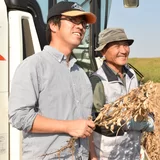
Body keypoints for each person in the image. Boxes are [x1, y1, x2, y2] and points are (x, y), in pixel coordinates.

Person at [8, 2, 97, 160]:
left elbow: (85, 123)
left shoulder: (82, 75)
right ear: (53, 25)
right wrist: (68, 126)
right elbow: (19, 116)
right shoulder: (34, 65)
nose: (81, 27)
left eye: (83, 23)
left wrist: (93, 156)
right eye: (74, 20)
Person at [89, 28, 155, 160]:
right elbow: (94, 122)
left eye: (125, 45)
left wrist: (149, 118)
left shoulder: (132, 76)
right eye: (117, 46)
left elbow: (142, 107)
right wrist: (128, 123)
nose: (124, 50)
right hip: (108, 154)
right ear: (103, 51)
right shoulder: (98, 81)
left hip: (132, 153)